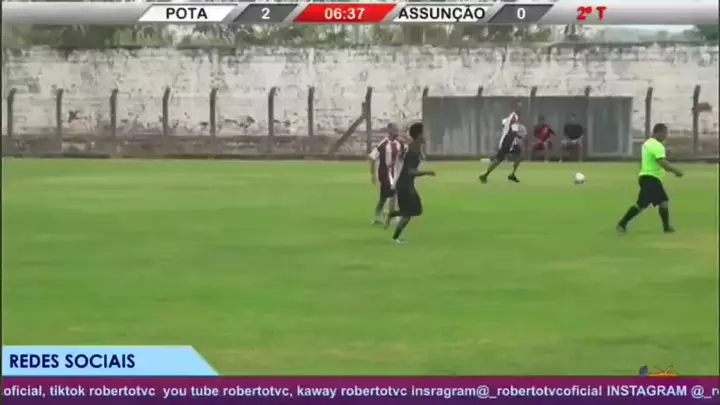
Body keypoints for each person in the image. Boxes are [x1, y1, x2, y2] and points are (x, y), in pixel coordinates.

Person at [616, 123, 683, 234]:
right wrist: (675, 171)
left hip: (645, 177)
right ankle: (666, 228)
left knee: (645, 204)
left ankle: (623, 223)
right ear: (658, 132)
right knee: (660, 201)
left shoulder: (647, 143)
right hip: (652, 178)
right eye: (665, 133)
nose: (666, 136)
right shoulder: (657, 146)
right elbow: (661, 161)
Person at [384, 122, 435, 243]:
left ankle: (393, 215)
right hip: (405, 185)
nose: (427, 136)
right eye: (424, 133)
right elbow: (410, 171)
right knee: (411, 212)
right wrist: (426, 172)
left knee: (415, 210)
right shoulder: (413, 150)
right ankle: (396, 237)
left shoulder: (414, 147)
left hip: (406, 183)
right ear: (419, 135)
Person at [479, 108, 525, 183]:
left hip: (511, 142)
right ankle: (485, 175)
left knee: (519, 156)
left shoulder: (509, 117)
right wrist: (520, 136)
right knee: (499, 159)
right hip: (507, 142)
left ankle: (512, 174)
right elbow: (514, 131)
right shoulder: (514, 118)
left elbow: (503, 123)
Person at [368, 123, 403, 225]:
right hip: (384, 173)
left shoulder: (399, 144)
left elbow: (402, 156)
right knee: (391, 194)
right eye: (395, 130)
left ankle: (378, 217)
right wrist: (373, 175)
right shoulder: (383, 144)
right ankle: (389, 216)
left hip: (395, 173)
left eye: (398, 130)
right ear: (389, 131)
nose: (397, 133)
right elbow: (372, 157)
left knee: (387, 196)